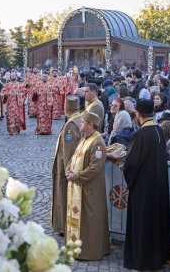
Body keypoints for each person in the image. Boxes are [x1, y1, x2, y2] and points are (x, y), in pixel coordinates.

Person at [123, 99, 170, 270]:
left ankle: (143, 259)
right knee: (156, 223)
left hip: (143, 188)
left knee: (143, 224)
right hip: (157, 186)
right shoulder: (158, 129)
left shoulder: (141, 134)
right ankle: (158, 257)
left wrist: (124, 166)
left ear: (138, 114)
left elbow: (132, 164)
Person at [65, 111, 110, 260]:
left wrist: (76, 176)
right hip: (79, 186)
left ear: (90, 125)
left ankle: (89, 251)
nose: (80, 124)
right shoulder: (85, 139)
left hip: (90, 189)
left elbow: (94, 169)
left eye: (83, 122)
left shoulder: (98, 144)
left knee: (90, 221)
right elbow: (74, 157)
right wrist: (68, 169)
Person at [51, 95, 83, 235]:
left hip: (65, 170)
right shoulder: (80, 118)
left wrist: (68, 171)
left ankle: (63, 226)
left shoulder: (70, 125)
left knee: (63, 197)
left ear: (66, 108)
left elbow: (69, 151)